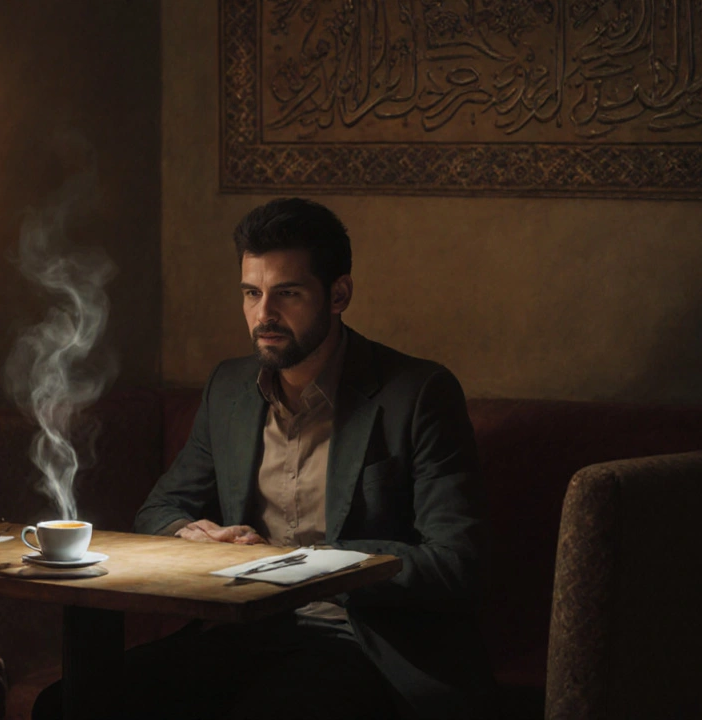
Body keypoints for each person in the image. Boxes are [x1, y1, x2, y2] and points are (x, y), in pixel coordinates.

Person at [34, 198, 496, 720]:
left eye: (288, 294)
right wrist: (193, 534)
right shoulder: (229, 389)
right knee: (67, 705)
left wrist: (309, 565)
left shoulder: (417, 394)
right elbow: (158, 512)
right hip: (239, 630)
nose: (263, 315)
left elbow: (457, 565)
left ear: (338, 293)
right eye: (252, 293)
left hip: (359, 642)